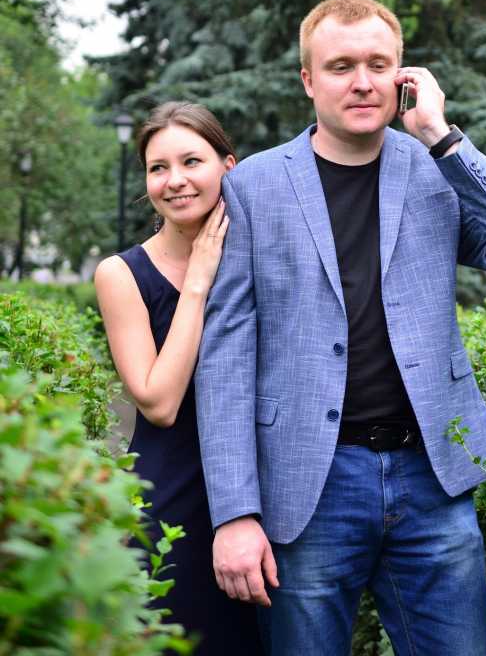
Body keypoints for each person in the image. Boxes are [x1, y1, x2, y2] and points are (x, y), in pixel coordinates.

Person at [195, 0, 486, 656]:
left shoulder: (436, 168)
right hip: (308, 484)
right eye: (340, 66)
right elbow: (224, 360)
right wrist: (235, 514)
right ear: (308, 80)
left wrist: (443, 136)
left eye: (378, 64)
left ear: (403, 74)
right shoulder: (251, 188)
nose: (362, 82)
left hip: (432, 477)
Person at [95, 101, 263, 656]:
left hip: (263, 493)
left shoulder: (261, 257)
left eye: (192, 161)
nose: (175, 180)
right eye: (158, 168)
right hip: (172, 498)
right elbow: (158, 402)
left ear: (228, 166)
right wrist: (197, 283)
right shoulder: (121, 274)